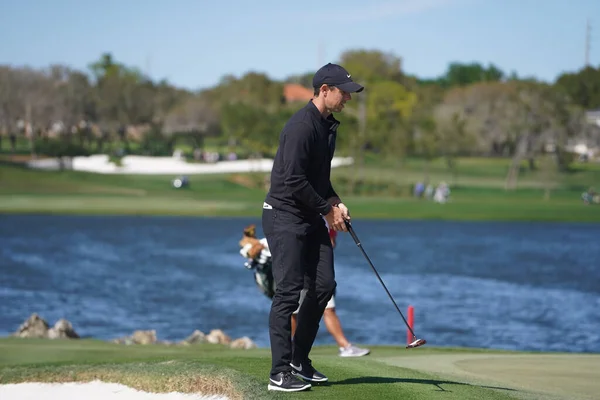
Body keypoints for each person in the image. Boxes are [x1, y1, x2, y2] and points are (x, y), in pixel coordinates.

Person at [261, 63, 364, 392]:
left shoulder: (326, 126)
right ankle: (279, 373)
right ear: (324, 90)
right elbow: (293, 180)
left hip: (308, 215)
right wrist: (326, 209)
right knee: (289, 292)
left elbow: (319, 179)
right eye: (342, 90)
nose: (348, 96)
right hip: (283, 215)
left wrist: (335, 203)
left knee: (324, 285)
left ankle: (298, 359)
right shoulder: (302, 126)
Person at [239, 224, 370, 358]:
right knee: (295, 313)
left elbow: (330, 243)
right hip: (297, 274)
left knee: (328, 309)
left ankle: (344, 346)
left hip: (317, 272)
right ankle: (293, 350)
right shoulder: (298, 220)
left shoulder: (326, 220)